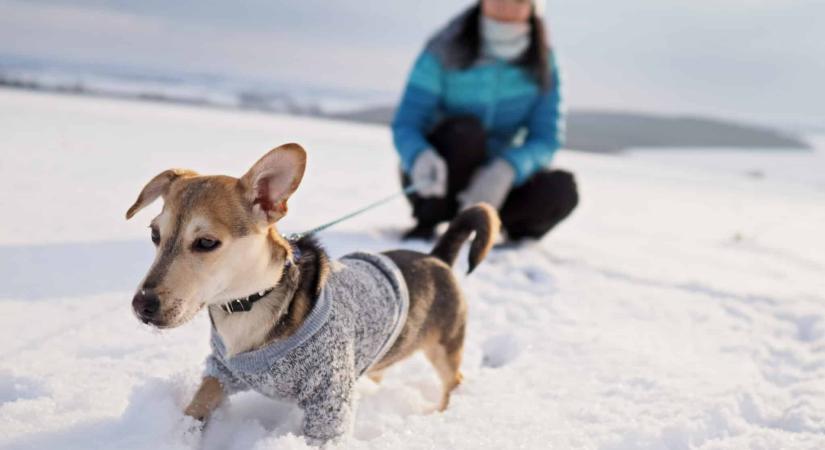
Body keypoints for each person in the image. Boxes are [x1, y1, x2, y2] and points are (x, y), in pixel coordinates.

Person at [392, 0, 578, 241]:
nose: (505, 4)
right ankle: (428, 221)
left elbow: (546, 139)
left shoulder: (544, 62)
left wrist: (507, 169)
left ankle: (501, 233)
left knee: (561, 189)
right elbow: (407, 122)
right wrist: (418, 156)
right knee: (466, 132)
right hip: (438, 178)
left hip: (496, 188)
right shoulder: (443, 49)